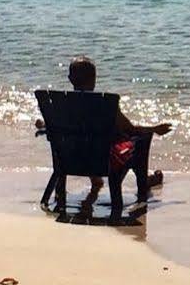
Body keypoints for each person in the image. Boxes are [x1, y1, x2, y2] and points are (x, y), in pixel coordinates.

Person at [67, 55, 172, 208]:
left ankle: (94, 181)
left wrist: (42, 124)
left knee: (88, 142)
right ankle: (143, 184)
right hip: (105, 161)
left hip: (72, 159)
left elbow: (50, 127)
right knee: (141, 139)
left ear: (70, 79)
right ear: (94, 79)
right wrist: (155, 129)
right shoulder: (105, 104)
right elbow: (130, 129)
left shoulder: (61, 106)